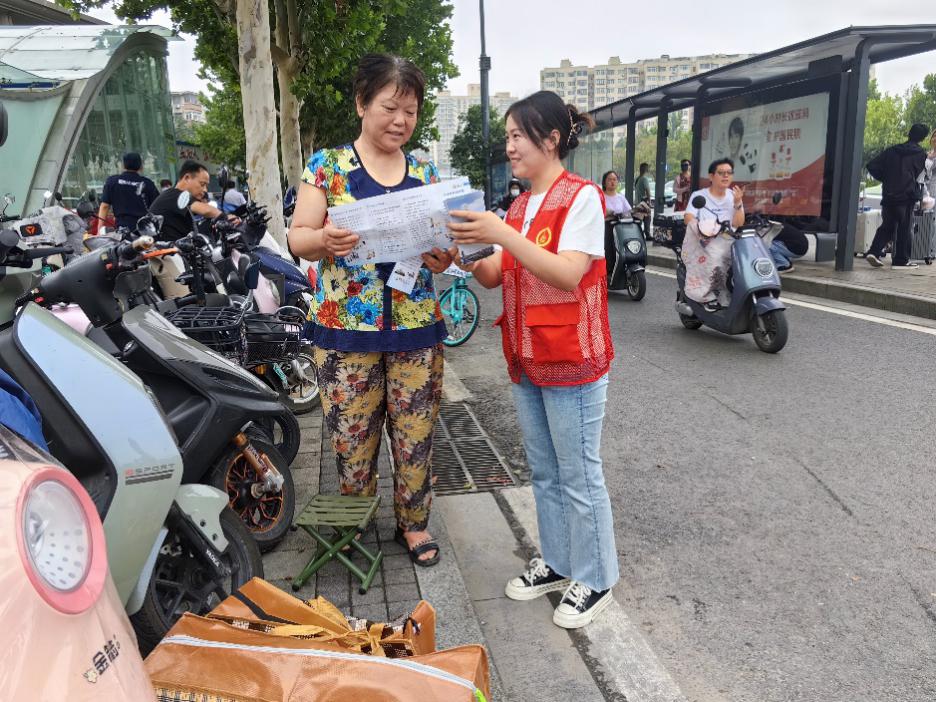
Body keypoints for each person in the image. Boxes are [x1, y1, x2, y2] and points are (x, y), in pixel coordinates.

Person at [448, 90, 618, 629]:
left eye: (518, 136)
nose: (510, 147)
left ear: (550, 139)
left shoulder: (582, 197)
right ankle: (560, 561)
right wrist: (460, 257)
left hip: (573, 360)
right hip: (527, 359)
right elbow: (496, 273)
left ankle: (596, 577)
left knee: (579, 474)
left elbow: (568, 272)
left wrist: (499, 233)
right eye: (507, 138)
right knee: (543, 471)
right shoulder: (521, 206)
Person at [288, 54, 454, 567]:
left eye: (410, 110)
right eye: (390, 107)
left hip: (414, 330)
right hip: (345, 333)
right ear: (362, 104)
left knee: (415, 434)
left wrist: (442, 255)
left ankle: (415, 524)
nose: (401, 120)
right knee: (351, 437)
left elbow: (446, 256)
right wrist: (324, 239)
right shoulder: (327, 168)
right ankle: (356, 520)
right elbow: (297, 238)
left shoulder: (425, 171)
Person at [864, 123, 930, 269]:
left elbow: (872, 165)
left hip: (888, 194)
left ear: (909, 133)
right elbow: (923, 177)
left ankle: (873, 252)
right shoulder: (921, 154)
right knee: (904, 228)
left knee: (887, 225)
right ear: (923, 138)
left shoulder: (892, 150)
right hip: (906, 196)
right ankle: (901, 260)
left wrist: (887, 178)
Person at [682, 158, 745, 309]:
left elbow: (738, 224)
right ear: (711, 176)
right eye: (721, 173)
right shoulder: (700, 196)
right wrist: (704, 228)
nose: (725, 176)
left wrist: (738, 203)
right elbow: (688, 217)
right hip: (705, 241)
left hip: (729, 240)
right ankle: (706, 297)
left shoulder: (733, 196)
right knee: (716, 257)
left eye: (729, 173)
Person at [97, 152, 159, 233]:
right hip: (144, 230)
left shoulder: (112, 181)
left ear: (123, 165)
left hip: (122, 230)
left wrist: (99, 229)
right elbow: (157, 206)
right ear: (141, 166)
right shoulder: (147, 183)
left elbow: (105, 206)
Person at [601, 170, 632, 276]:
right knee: (609, 248)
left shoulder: (621, 197)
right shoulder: (601, 197)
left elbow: (628, 212)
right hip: (606, 228)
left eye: (614, 179)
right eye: (609, 179)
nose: (612, 182)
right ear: (604, 182)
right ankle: (609, 270)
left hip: (620, 228)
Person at [634, 163, 653, 239]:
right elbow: (647, 191)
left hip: (638, 203)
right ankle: (647, 234)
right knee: (647, 218)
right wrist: (649, 202)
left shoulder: (637, 179)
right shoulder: (644, 179)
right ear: (646, 169)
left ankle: (638, 233)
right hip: (644, 202)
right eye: (647, 168)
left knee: (639, 218)